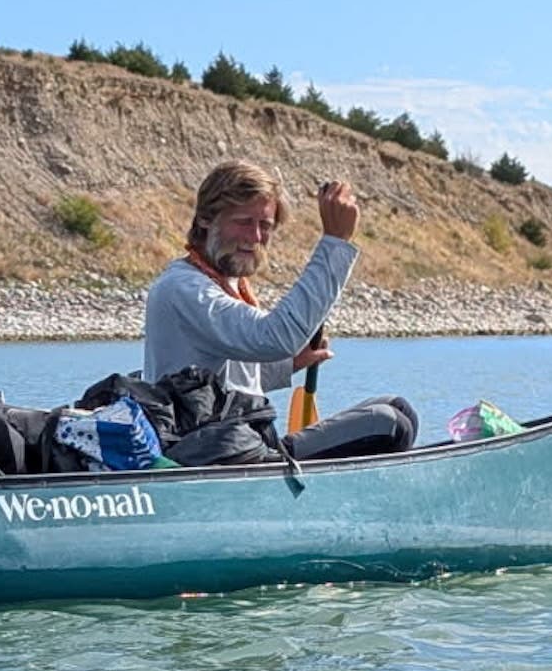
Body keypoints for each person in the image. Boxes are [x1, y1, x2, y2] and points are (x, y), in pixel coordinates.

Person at [142, 158, 415, 456]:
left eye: (265, 225)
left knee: (397, 407)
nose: (255, 237)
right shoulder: (185, 288)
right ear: (206, 219)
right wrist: (335, 242)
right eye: (244, 222)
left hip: (241, 441)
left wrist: (290, 363)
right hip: (215, 455)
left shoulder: (227, 283)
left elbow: (234, 383)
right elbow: (274, 338)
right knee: (391, 424)